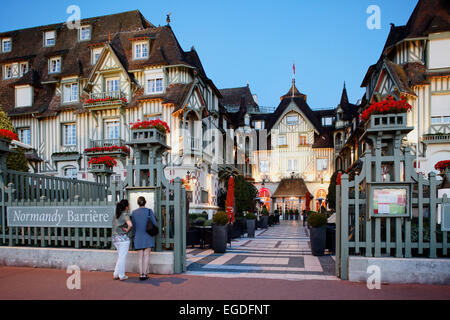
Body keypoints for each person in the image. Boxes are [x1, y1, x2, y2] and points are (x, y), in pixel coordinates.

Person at [131, 196, 158, 281]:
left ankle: (141, 274)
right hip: (148, 236)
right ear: (145, 202)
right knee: (146, 256)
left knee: (140, 257)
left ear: (138, 203)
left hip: (138, 236)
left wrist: (134, 236)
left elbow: (134, 227)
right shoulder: (149, 211)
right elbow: (155, 224)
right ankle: (145, 274)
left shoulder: (134, 212)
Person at [112, 199, 132, 281]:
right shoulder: (125, 214)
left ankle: (116, 274)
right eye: (129, 205)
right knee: (122, 257)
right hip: (123, 239)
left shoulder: (116, 214)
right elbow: (130, 224)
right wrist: (127, 229)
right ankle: (121, 275)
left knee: (120, 256)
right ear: (126, 207)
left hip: (115, 238)